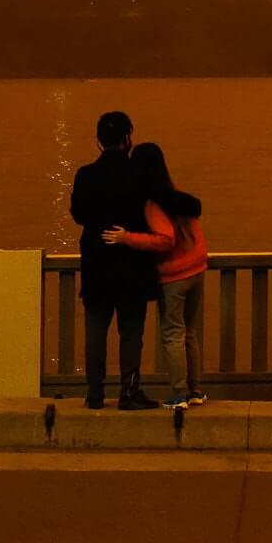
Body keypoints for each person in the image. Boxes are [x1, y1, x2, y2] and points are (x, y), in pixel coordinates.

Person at [67, 108, 172, 408]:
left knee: (95, 331)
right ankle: (129, 391)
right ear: (127, 139)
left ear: (99, 141)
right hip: (132, 264)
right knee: (131, 331)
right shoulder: (138, 175)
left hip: (96, 263)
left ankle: (94, 392)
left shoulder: (85, 175)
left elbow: (79, 214)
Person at [111, 187, 209, 407]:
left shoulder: (154, 204)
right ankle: (195, 391)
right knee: (189, 332)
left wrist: (126, 238)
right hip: (197, 268)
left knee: (173, 333)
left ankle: (180, 393)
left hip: (175, 276)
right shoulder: (180, 198)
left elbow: (165, 239)